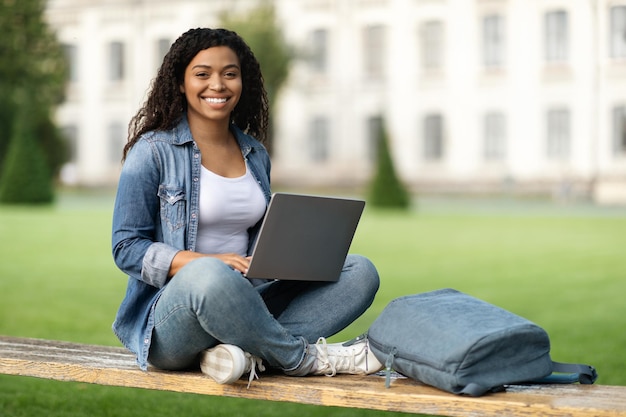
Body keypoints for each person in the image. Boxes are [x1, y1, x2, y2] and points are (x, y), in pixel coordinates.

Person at [111, 27, 383, 386]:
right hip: (174, 317)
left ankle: (244, 354)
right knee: (210, 276)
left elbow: (256, 242)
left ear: (244, 81)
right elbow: (126, 248)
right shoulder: (153, 151)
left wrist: (291, 257)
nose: (218, 85)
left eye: (230, 74)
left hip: (248, 299)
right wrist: (206, 263)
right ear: (180, 82)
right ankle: (298, 358)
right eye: (203, 74)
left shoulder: (254, 153)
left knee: (360, 271)